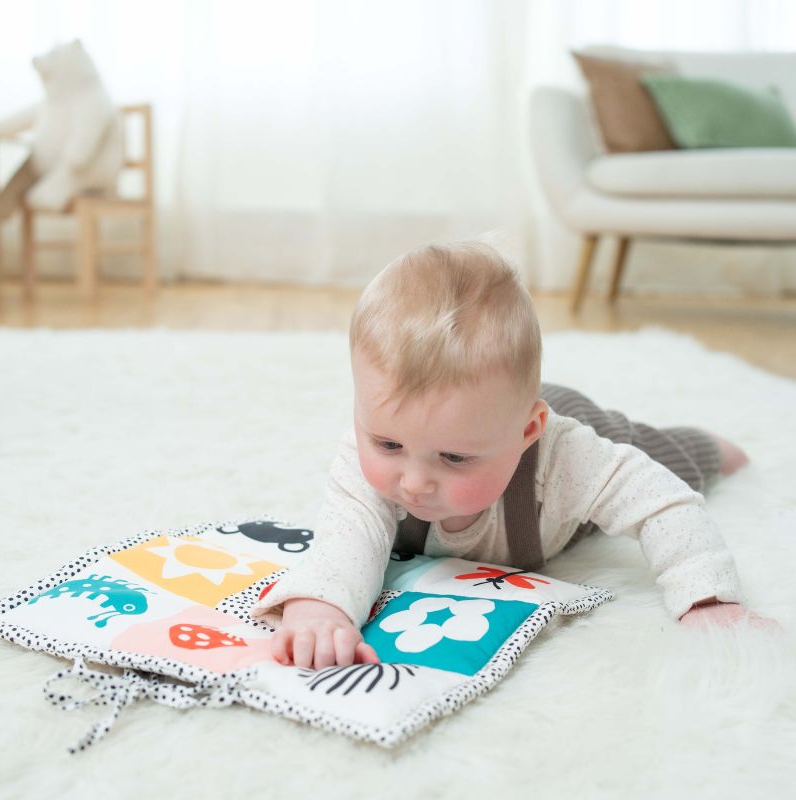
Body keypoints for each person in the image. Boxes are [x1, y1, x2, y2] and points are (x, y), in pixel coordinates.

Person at [252, 241, 775, 670]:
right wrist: (320, 606)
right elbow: (346, 540)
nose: (413, 482)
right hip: (498, 415)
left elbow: (664, 504)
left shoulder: (565, 457)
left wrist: (707, 598)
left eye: (453, 458)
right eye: (388, 444)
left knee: (667, 454)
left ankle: (710, 443)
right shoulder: (365, 460)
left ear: (527, 430)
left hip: (576, 423)